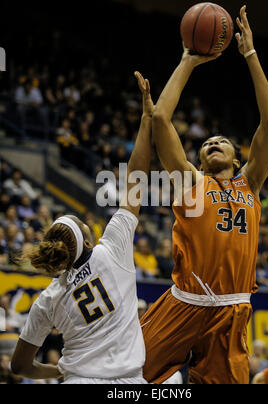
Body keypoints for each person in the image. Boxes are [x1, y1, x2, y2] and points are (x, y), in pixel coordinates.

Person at [140, 6, 268, 384]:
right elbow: (162, 120)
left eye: (223, 141)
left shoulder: (250, 183)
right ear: (200, 160)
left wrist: (250, 55)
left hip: (231, 310)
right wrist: (188, 60)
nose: (214, 142)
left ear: (237, 159)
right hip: (185, 302)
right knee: (126, 375)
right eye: (208, 142)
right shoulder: (191, 181)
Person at [10, 71, 153, 384]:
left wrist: (61, 372)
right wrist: (145, 120)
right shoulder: (112, 248)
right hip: (130, 382)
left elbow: (19, 368)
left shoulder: (49, 297)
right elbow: (136, 179)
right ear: (88, 242)